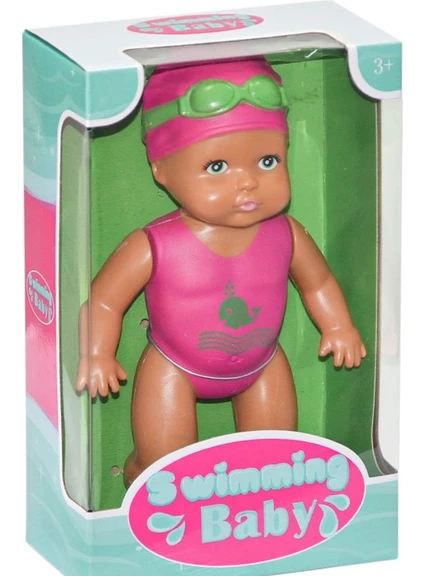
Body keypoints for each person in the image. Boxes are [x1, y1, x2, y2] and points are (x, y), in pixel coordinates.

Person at [76, 56, 366, 487]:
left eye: (267, 161)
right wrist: (97, 353)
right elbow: (104, 300)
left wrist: (339, 326)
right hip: (174, 368)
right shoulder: (156, 244)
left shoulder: (286, 234)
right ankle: (141, 476)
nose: (247, 182)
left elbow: (318, 282)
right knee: (162, 464)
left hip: (262, 364)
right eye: (217, 167)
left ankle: (252, 504)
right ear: (161, 170)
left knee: (273, 458)